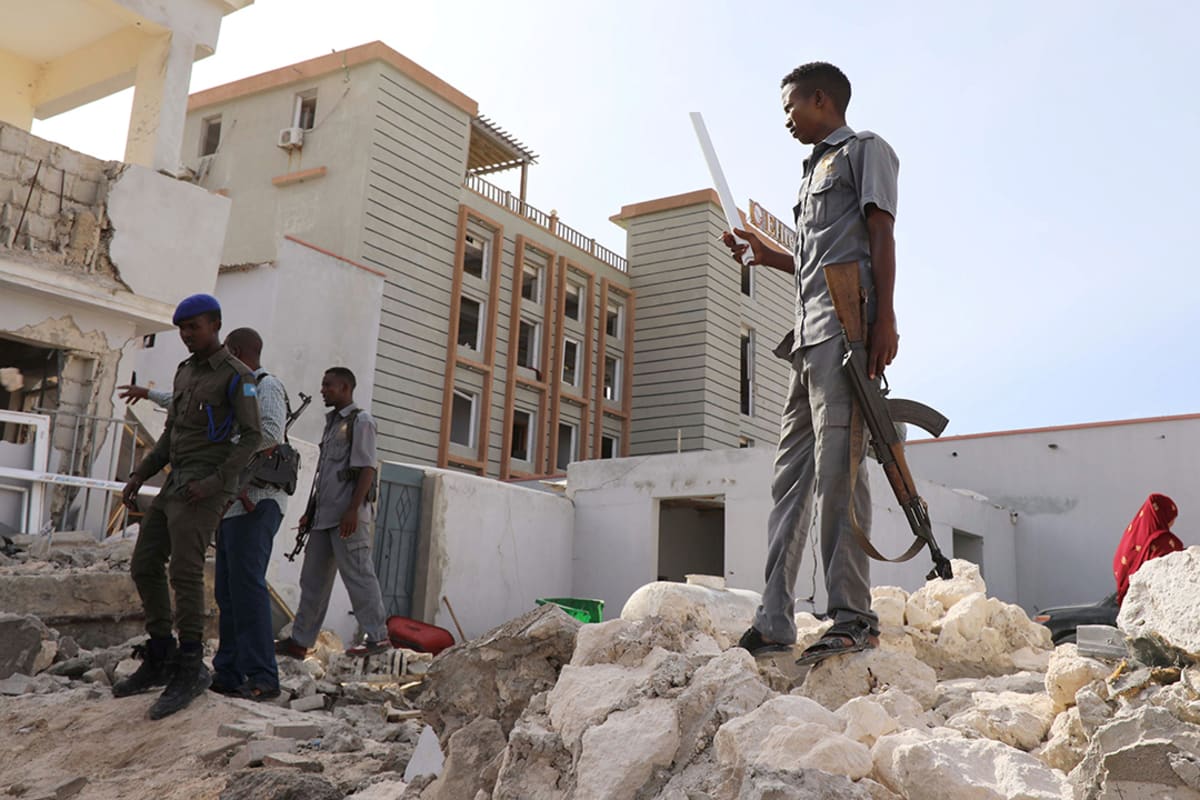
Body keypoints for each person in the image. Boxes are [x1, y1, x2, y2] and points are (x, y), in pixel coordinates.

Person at [722, 62, 901, 664]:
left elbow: (881, 233)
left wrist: (885, 319)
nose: (786, 119)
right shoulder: (809, 176)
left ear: (820, 99)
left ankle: (854, 616)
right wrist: (759, 250)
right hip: (805, 341)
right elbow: (807, 256)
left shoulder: (863, 150)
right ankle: (773, 621)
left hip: (848, 332)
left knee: (839, 476)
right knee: (789, 483)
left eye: (789, 107)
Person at [115, 294, 262, 719]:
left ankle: (191, 664)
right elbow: (171, 435)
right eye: (182, 329)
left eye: (193, 327)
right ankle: (161, 653)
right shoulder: (184, 373)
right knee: (144, 564)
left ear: (214, 324)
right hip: (174, 483)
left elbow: (253, 438)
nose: (185, 335)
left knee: (185, 571)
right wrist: (141, 473)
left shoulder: (237, 377)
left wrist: (217, 482)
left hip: (204, 487)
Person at [275, 367, 391, 659]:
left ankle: (377, 638)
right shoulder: (331, 424)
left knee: (359, 576)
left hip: (347, 519)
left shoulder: (361, 421)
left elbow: (366, 469)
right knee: (312, 581)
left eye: (328, 385)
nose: (323, 389)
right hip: (323, 518)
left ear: (345, 387)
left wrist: (352, 510)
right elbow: (324, 476)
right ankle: (300, 642)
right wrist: (309, 513)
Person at [208, 328, 290, 700]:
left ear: (238, 351)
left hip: (258, 500)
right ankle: (228, 672)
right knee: (227, 590)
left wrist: (229, 460)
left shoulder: (264, 386)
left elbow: (270, 432)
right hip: (233, 505)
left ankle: (263, 677)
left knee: (248, 586)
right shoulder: (237, 392)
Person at [1114, 494, 1182, 605]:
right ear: (1163, 515)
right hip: (1154, 604)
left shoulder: (1130, 536)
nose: (1173, 522)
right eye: (1172, 517)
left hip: (1132, 602)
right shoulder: (1161, 540)